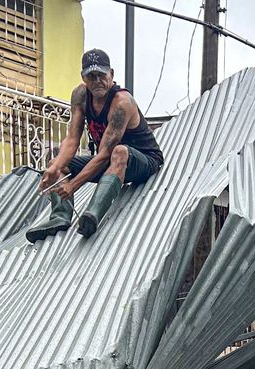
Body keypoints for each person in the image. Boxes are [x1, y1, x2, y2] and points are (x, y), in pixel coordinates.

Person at [26, 48, 165, 242]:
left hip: (143, 160)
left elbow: (104, 154)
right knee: (58, 161)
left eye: (101, 75)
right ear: (83, 78)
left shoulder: (121, 102)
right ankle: (60, 217)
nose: (97, 80)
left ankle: (92, 215)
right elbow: (73, 139)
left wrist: (73, 185)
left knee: (119, 151)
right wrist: (54, 168)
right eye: (91, 76)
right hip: (111, 162)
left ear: (111, 74)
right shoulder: (80, 96)